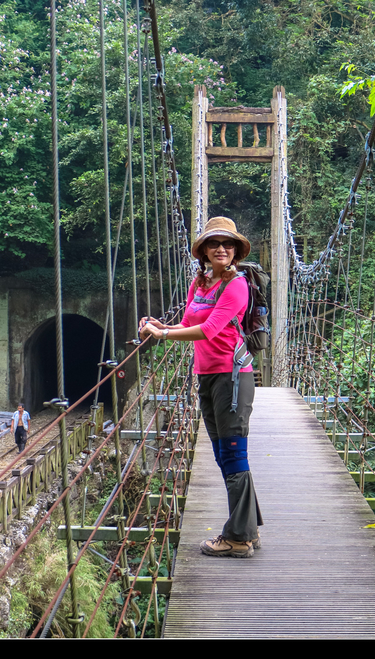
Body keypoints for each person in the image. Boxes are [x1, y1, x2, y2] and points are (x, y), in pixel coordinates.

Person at [138, 216, 263, 558]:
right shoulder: (201, 282)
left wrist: (162, 336)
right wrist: (162, 325)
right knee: (224, 455)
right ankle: (247, 529)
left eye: (228, 244)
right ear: (204, 252)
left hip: (233, 378)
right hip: (207, 375)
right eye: (213, 244)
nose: (221, 249)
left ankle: (237, 537)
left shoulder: (237, 285)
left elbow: (208, 330)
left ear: (236, 251)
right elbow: (188, 323)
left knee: (235, 454)